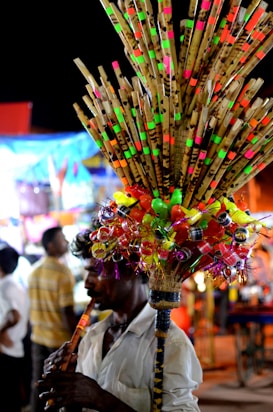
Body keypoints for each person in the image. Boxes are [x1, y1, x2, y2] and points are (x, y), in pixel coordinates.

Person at [37, 228, 203, 412]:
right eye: (87, 272)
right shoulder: (92, 337)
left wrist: (100, 399)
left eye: (96, 271)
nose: (87, 283)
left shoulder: (170, 343)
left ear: (133, 270)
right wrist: (64, 386)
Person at [28, 225, 78, 412]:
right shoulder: (62, 273)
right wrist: (78, 337)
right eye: (61, 239)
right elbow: (67, 314)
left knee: (38, 383)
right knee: (59, 389)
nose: (65, 242)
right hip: (58, 341)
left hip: (38, 336)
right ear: (50, 246)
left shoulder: (34, 271)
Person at [0, 244, 29, 412]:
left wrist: (0, 333)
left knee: (7, 396)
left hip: (7, 348)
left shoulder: (5, 286)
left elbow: (14, 316)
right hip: (16, 346)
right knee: (12, 393)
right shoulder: (15, 285)